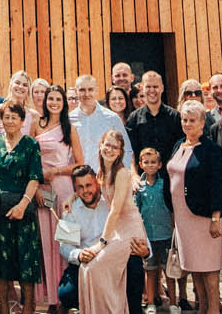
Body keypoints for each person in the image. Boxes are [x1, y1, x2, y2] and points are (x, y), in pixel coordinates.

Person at [0, 101, 45, 314]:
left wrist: (22, 205)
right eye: (6, 117)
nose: (9, 121)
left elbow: (35, 178)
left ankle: (28, 308)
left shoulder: (31, 145)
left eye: (14, 117)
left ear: (22, 121)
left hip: (22, 210)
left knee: (25, 260)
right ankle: (4, 308)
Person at [77, 132, 148, 314]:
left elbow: (115, 210)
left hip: (129, 229)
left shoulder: (122, 173)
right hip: (118, 229)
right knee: (87, 269)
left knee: (94, 268)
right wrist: (71, 197)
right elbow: (93, 192)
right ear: (100, 145)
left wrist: (101, 243)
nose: (109, 150)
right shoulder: (102, 172)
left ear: (120, 152)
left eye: (114, 147)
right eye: (107, 145)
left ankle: (113, 309)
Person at [167, 100, 222, 314]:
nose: (188, 124)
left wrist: (216, 217)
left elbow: (218, 184)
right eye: (184, 120)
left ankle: (213, 309)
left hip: (203, 217)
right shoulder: (178, 144)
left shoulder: (211, 150)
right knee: (194, 266)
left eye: (192, 120)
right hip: (182, 216)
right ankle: (201, 307)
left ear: (203, 123)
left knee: (209, 266)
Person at [30, 83, 82, 308]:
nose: (53, 103)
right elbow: (29, 157)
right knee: (45, 241)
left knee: (65, 240)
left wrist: (57, 171)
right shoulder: (36, 125)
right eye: (50, 99)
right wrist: (39, 181)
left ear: (63, 103)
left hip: (63, 190)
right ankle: (50, 298)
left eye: (57, 100)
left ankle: (67, 295)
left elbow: (80, 163)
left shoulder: (69, 129)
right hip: (41, 189)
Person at [56, 166, 106, 309]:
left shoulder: (110, 203)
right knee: (66, 293)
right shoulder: (70, 209)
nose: (85, 191)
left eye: (89, 185)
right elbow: (64, 246)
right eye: (80, 187)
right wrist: (79, 255)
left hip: (108, 261)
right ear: (75, 190)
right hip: (84, 262)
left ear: (97, 183)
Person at [132, 147, 174, 312]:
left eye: (153, 162)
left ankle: (173, 303)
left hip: (165, 234)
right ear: (141, 164)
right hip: (148, 236)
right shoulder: (139, 186)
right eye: (146, 162)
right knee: (150, 271)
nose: (150, 165)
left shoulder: (164, 184)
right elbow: (136, 209)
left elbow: (171, 207)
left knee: (168, 270)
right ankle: (150, 303)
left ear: (159, 164)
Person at [66, 77, 126, 173]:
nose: (87, 94)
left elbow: (126, 149)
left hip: (105, 178)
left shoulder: (112, 118)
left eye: (90, 89)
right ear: (76, 92)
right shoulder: (69, 120)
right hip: (77, 180)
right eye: (82, 90)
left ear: (97, 91)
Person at [124, 72, 181, 170]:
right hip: (143, 179)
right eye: (148, 86)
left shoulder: (175, 117)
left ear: (162, 88)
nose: (152, 90)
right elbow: (129, 151)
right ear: (142, 88)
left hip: (170, 176)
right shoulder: (134, 119)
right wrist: (133, 174)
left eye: (155, 87)